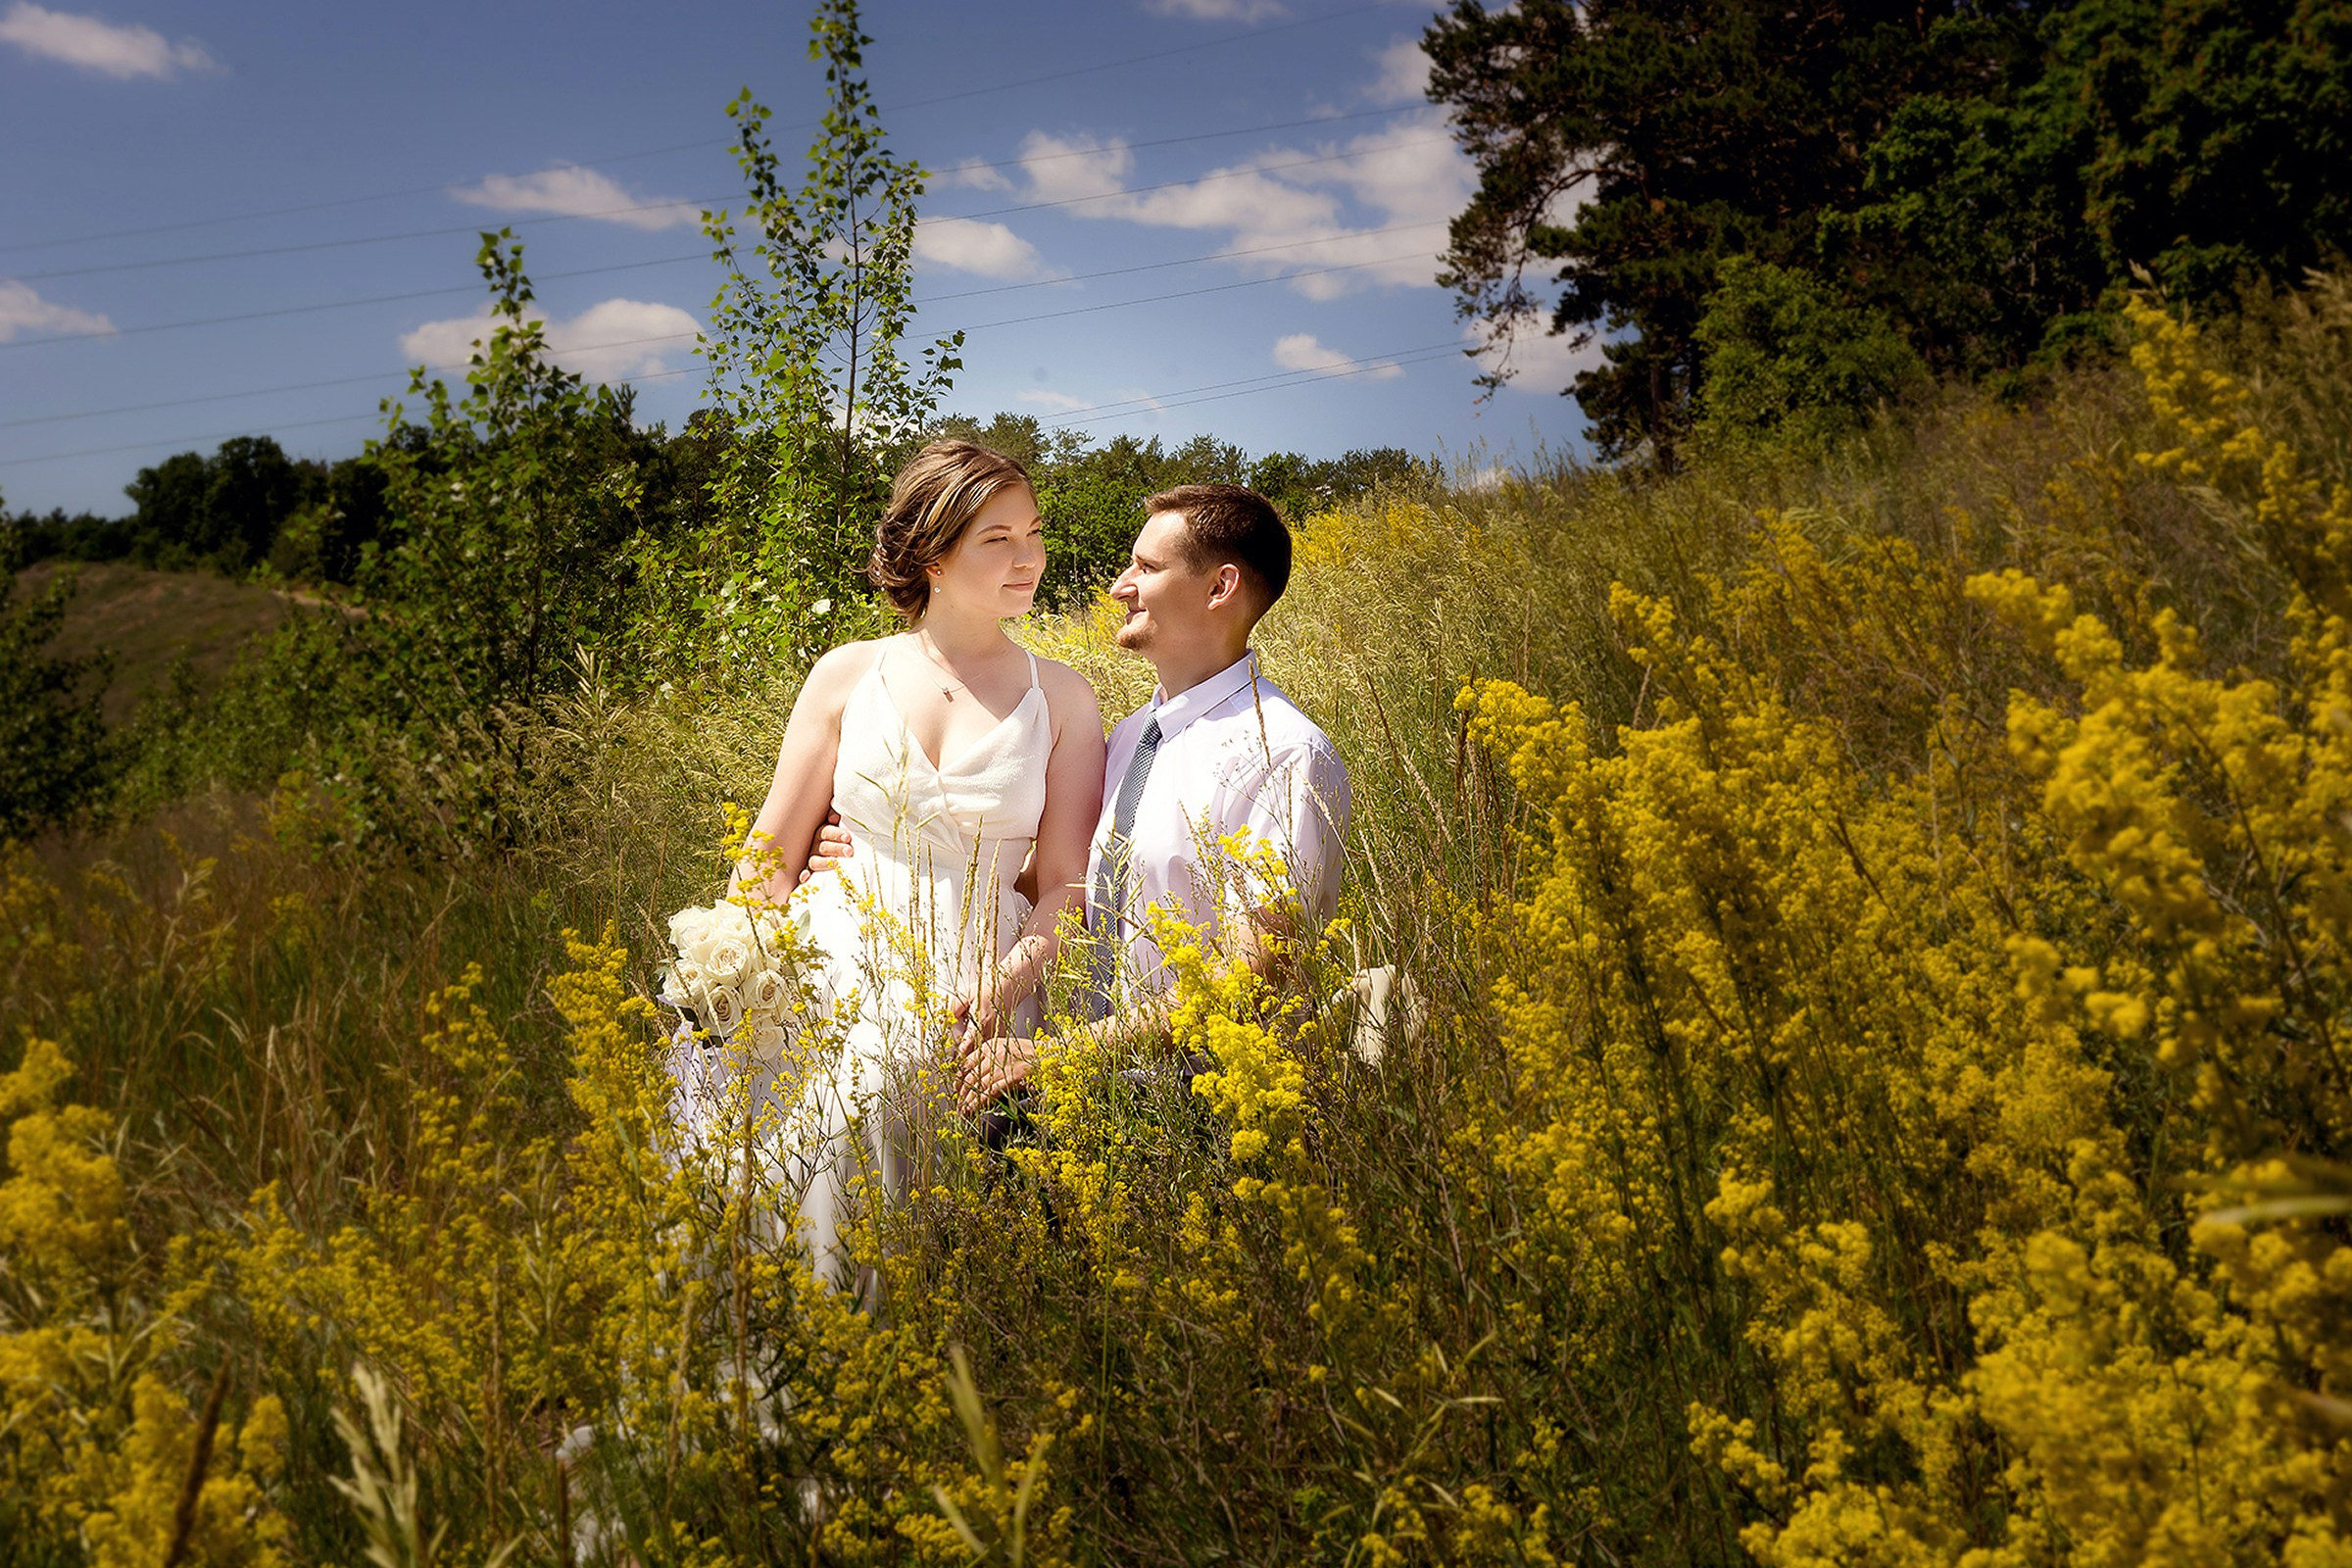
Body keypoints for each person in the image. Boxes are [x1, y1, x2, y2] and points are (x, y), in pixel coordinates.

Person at [666, 440, 1104, 1291]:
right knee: (774, 1167)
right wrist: (738, 976)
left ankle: (880, 1358)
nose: (1031, 558)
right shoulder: (846, 675)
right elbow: (765, 862)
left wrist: (1007, 982)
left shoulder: (1064, 696)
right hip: (826, 962)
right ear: (931, 555)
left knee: (888, 1116)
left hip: (974, 974)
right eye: (998, 538)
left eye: (1035, 532)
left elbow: (1065, 886)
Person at [813, 483, 1350, 1113]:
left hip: (1203, 1104)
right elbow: (1058, 887)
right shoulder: (1129, 740)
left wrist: (1061, 1056)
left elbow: (1254, 967)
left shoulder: (1285, 753)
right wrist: (883, 855)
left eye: (1147, 568)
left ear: (1219, 588)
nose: (1120, 585)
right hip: (1095, 1095)